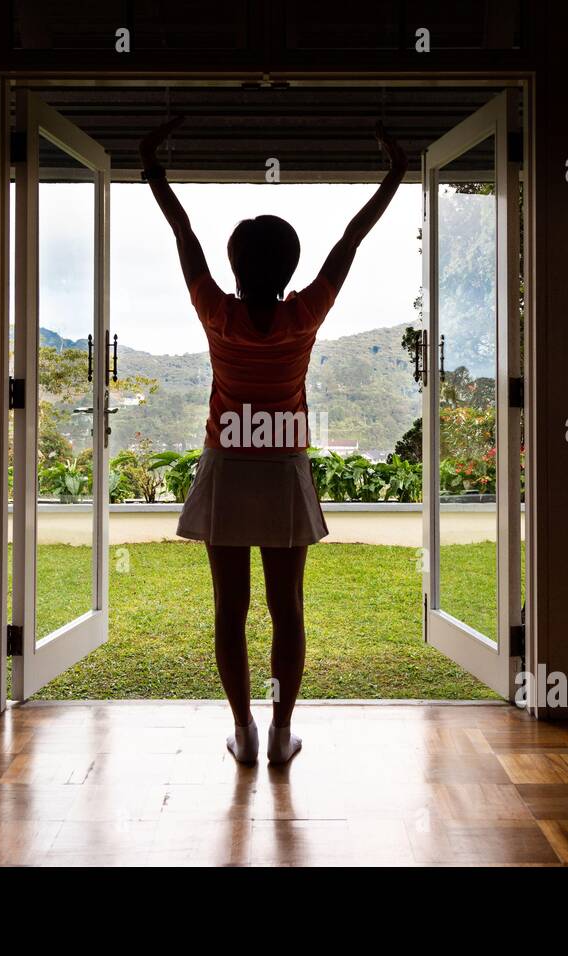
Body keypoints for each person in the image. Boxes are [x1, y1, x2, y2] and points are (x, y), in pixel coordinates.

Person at [139, 117, 407, 764]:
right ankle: (282, 731)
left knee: (229, 611)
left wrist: (154, 166)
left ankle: (245, 730)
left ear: (234, 265)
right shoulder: (303, 314)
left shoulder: (217, 311)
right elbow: (350, 238)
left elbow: (183, 233)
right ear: (289, 267)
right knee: (287, 609)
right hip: (284, 467)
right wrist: (394, 174)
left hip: (229, 466)